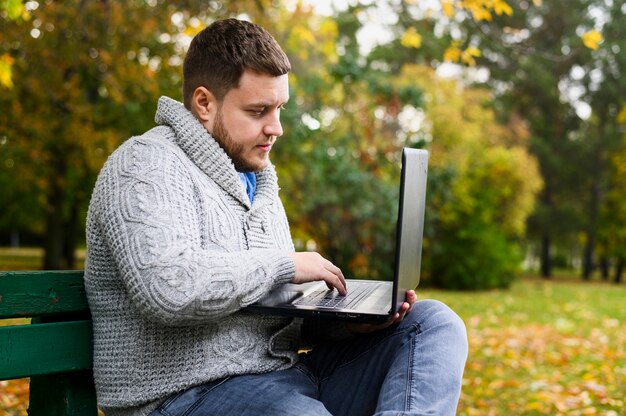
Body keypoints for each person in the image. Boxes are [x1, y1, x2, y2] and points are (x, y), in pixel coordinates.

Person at [84, 18, 468, 416]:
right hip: (185, 397)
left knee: (432, 325)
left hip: (287, 380)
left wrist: (348, 324)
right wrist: (284, 264)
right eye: (258, 111)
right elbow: (168, 289)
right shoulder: (145, 165)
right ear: (204, 103)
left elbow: (271, 312)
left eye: (279, 108)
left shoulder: (257, 179)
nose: (276, 128)